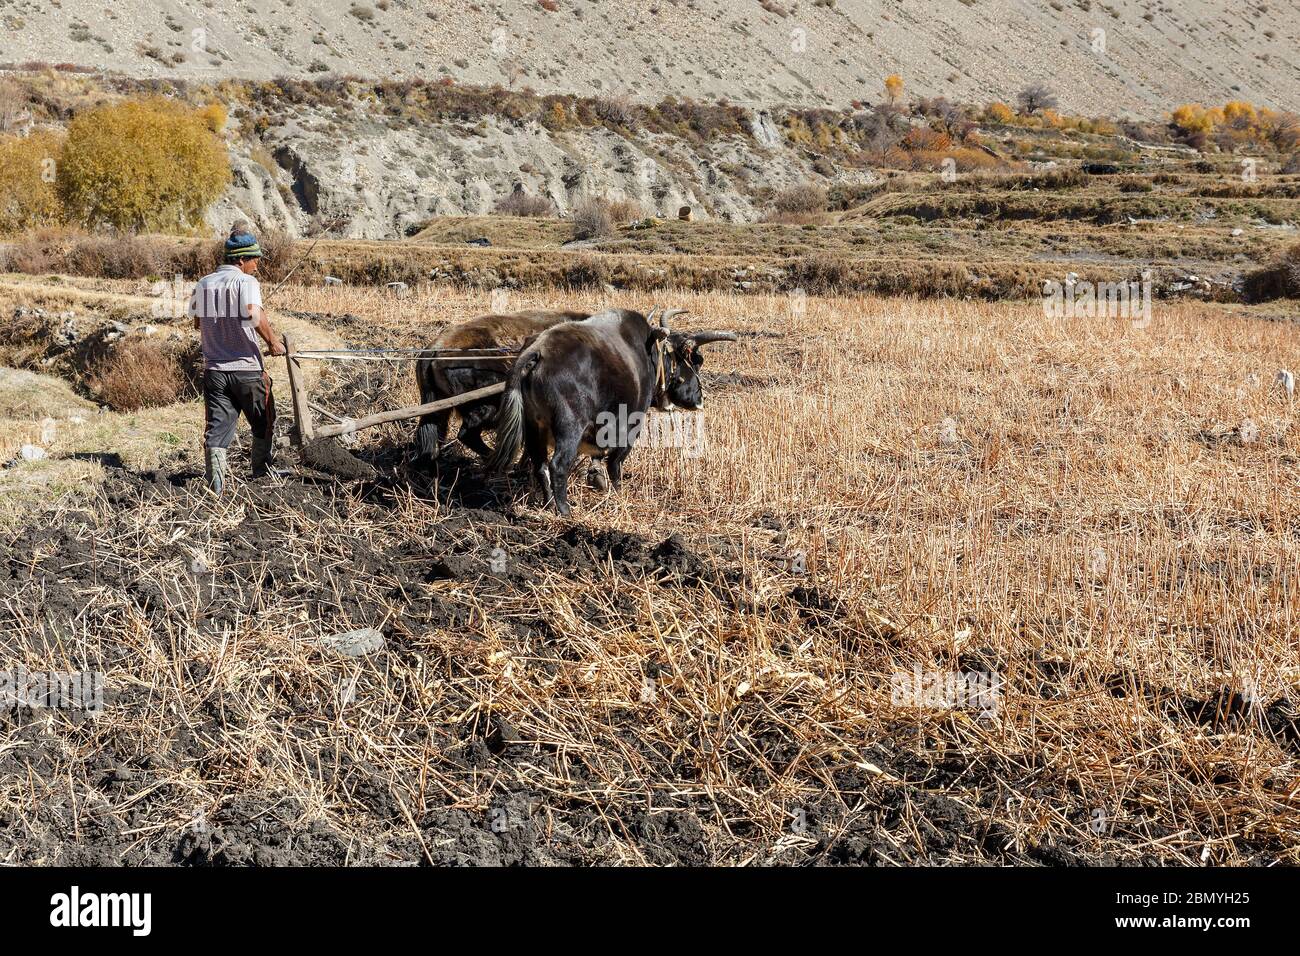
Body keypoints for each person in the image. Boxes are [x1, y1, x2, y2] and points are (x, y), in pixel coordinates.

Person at [188, 226, 287, 492]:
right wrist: (273, 342)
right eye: (255, 259)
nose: (257, 265)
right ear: (241, 259)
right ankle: (261, 472)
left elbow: (199, 323)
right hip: (246, 369)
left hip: (215, 371)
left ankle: (216, 486)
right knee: (264, 420)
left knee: (217, 428)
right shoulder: (246, 282)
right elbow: (252, 314)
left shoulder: (204, 283)